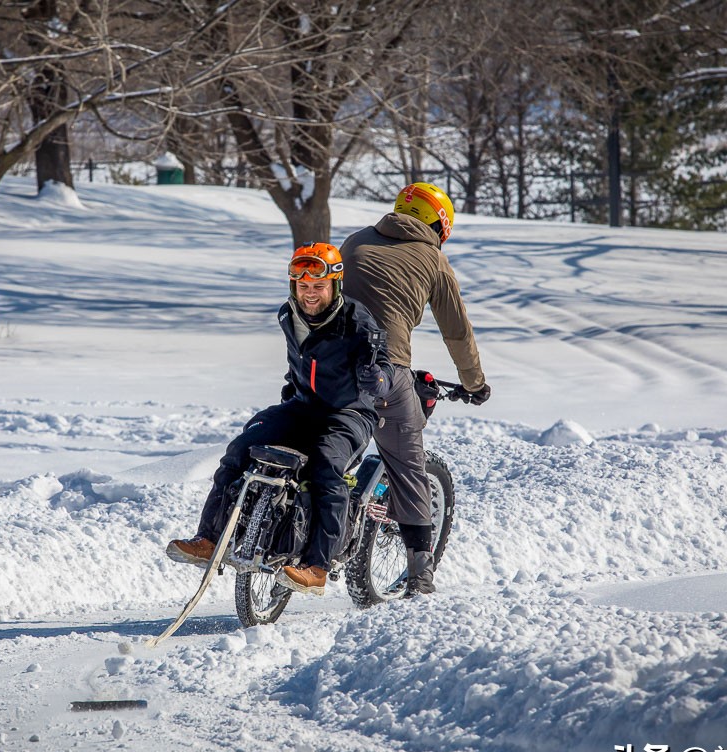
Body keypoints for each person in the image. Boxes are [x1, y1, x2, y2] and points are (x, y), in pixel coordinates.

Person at [166, 242, 393, 596]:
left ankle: (317, 566)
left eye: (318, 286)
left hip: (347, 414)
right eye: (303, 286)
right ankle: (209, 540)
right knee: (240, 449)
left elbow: (384, 366)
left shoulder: (357, 321)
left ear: (335, 285)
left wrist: (376, 378)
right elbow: (300, 366)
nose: (310, 294)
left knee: (324, 466)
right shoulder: (288, 315)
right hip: (303, 407)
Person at [339, 182, 490, 597]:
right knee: (408, 464)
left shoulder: (355, 240)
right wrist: (475, 384)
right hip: (384, 370)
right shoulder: (434, 260)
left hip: (324, 364)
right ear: (439, 226)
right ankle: (421, 579)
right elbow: (457, 332)